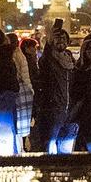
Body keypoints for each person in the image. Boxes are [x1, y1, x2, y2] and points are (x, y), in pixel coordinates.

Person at [33, 26, 74, 154]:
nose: (60, 41)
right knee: (49, 150)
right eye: (57, 38)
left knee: (65, 152)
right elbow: (46, 57)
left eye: (63, 38)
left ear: (68, 42)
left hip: (69, 113)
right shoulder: (48, 61)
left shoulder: (71, 61)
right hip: (52, 112)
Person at [0, 34, 22, 155]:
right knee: (10, 128)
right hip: (10, 95)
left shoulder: (1, 69)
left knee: (4, 127)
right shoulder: (10, 65)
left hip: (4, 97)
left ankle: (7, 154)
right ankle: (13, 151)